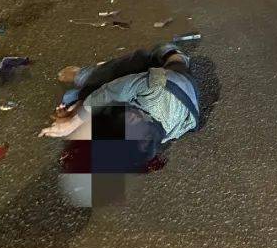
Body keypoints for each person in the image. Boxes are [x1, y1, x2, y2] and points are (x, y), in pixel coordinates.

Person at [39, 43, 200, 173]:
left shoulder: (160, 132)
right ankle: (83, 75)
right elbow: (110, 92)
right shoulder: (154, 88)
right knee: (138, 61)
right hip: (167, 71)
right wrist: (74, 119)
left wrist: (77, 113)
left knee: (75, 99)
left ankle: (82, 91)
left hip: (170, 88)